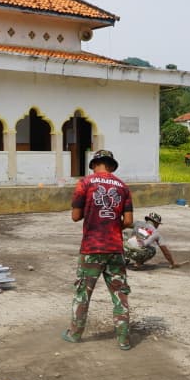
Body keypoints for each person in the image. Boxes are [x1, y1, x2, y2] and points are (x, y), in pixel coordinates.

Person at [63, 149, 135, 350]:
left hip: (92, 248)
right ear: (111, 166)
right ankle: (123, 339)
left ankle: (75, 334)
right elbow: (128, 221)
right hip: (115, 249)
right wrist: (112, 226)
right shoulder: (123, 186)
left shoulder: (85, 183)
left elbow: (75, 216)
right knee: (120, 294)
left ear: (94, 164)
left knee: (82, 294)